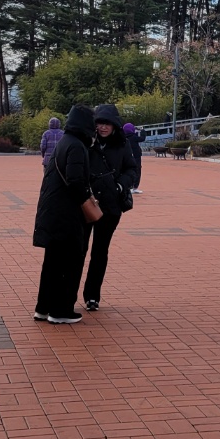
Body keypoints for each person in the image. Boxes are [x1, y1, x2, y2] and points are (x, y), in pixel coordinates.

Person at [32, 105, 96, 324]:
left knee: (52, 263)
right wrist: (87, 199)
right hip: (66, 215)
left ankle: (43, 308)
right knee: (69, 262)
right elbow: (75, 180)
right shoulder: (77, 146)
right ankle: (61, 311)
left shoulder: (64, 142)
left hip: (52, 212)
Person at [82, 105, 136, 313]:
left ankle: (92, 296)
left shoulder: (122, 144)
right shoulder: (87, 141)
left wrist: (120, 185)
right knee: (79, 249)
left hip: (110, 206)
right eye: (99, 123)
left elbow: (131, 169)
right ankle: (68, 295)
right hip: (87, 203)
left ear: (115, 125)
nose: (103, 127)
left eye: (107, 123)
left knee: (100, 251)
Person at [123, 122, 144, 194]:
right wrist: (143, 131)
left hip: (127, 157)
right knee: (137, 171)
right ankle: (135, 187)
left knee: (127, 171)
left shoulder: (124, 138)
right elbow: (142, 138)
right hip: (136, 157)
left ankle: (129, 187)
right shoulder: (134, 137)